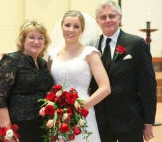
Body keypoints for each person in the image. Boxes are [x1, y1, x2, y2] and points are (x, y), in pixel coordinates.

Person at [86, 1, 157, 142]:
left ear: (120, 18)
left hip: (130, 120)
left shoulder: (136, 44)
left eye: (112, 16)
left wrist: (148, 122)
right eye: (103, 17)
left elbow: (147, 85)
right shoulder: (90, 47)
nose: (108, 20)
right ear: (97, 21)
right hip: (100, 121)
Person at [48, 10, 111, 142]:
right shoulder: (53, 54)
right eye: (67, 25)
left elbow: (105, 88)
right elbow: (49, 85)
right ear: (62, 27)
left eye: (76, 26)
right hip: (59, 114)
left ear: (82, 29)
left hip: (83, 112)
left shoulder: (90, 53)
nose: (71, 30)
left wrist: (79, 109)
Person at [0, 19, 53, 142]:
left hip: (41, 125)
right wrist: (7, 132)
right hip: (18, 126)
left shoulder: (42, 63)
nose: (36, 41)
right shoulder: (11, 60)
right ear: (23, 40)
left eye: (40, 38)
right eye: (31, 37)